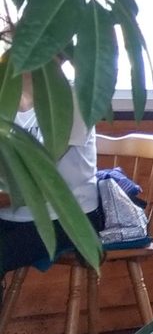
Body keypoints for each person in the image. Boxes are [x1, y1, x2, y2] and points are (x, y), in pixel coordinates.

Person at [0, 75, 102, 276]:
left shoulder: (73, 98)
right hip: (10, 213)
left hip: (66, 219)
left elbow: (42, 176)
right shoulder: (5, 95)